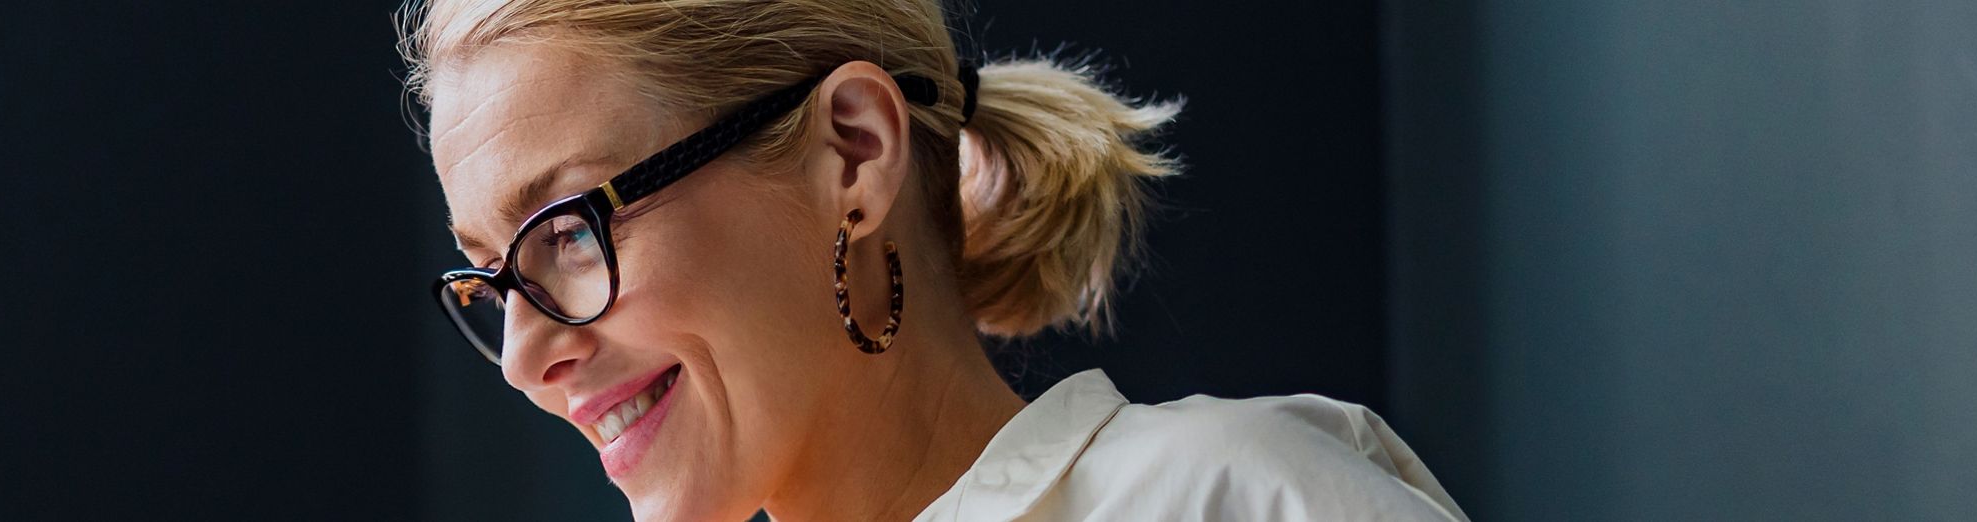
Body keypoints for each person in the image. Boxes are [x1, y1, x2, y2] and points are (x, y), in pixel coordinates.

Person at [406, 1, 1469, 520]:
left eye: (565, 232)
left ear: (853, 152)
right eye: (491, 278)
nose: (522, 358)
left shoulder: (1230, 502)